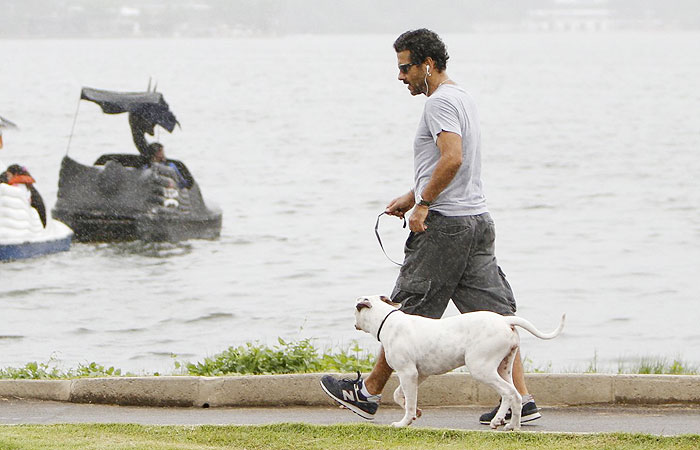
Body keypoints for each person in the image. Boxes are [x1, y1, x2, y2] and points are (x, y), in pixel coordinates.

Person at [320, 29, 541, 425]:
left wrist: (424, 203)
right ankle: (521, 401)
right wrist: (413, 193)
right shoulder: (462, 97)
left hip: (445, 226)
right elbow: (452, 163)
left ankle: (367, 393)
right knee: (496, 315)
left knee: (404, 310)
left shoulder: (438, 104)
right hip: (476, 221)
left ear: (427, 64)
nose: (401, 76)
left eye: (405, 68)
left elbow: (452, 158)